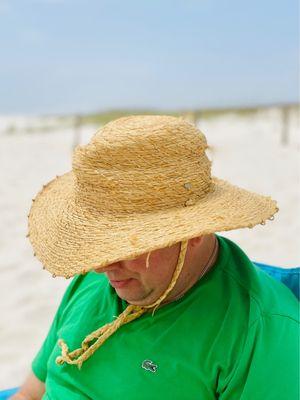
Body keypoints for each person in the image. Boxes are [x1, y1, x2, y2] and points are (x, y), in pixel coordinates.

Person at [11, 115, 299, 399]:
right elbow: (29, 394)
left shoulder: (259, 332)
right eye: (99, 244)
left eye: (123, 245)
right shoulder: (93, 281)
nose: (100, 266)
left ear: (192, 231)